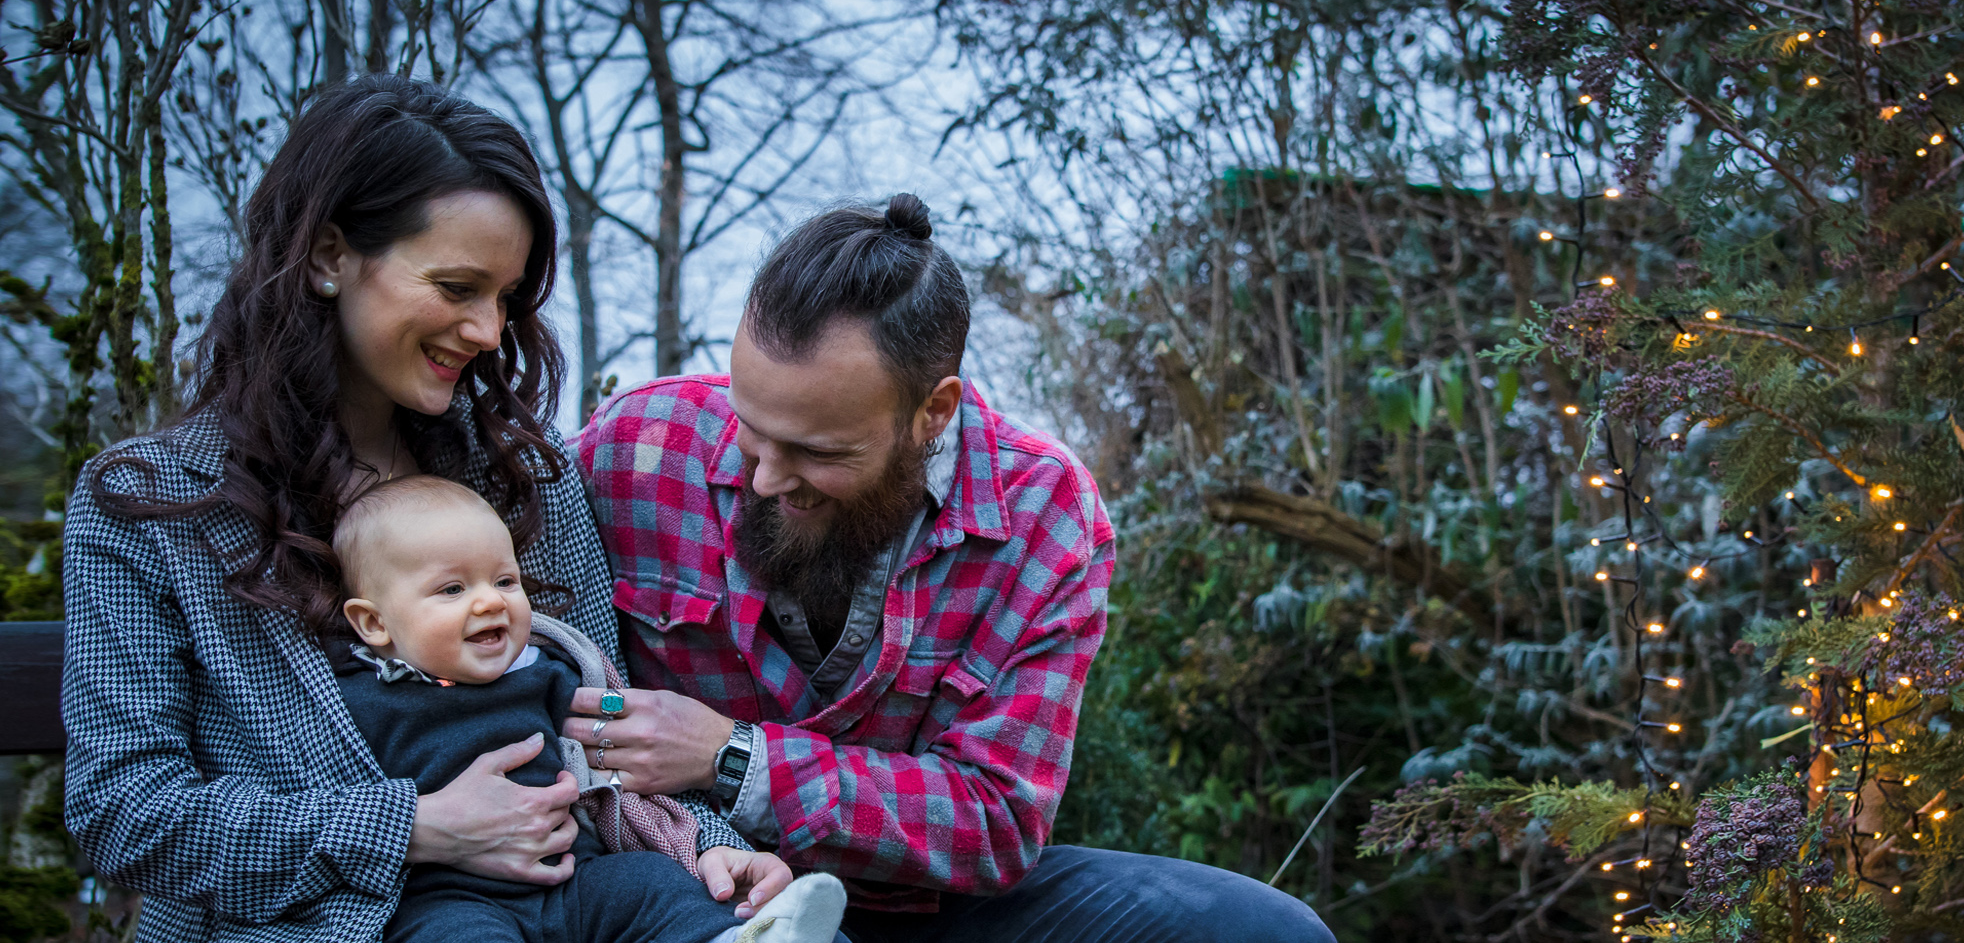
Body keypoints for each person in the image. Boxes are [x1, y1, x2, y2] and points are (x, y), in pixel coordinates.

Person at [58, 75, 793, 942]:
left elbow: (599, 732)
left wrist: (707, 847)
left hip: (576, 907)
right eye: (456, 286)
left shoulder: (527, 481)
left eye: (507, 297)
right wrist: (415, 827)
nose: (488, 329)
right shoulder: (154, 507)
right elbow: (125, 811)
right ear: (331, 256)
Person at [569, 194, 1336, 941]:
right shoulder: (635, 445)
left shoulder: (1044, 511)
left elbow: (998, 820)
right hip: (701, 885)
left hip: (932, 908)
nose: (765, 475)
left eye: (817, 450)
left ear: (932, 413)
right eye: (750, 426)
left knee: (1270, 929)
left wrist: (735, 759)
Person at [326, 475, 844, 943]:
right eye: (453, 589)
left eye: (505, 581)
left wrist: (700, 846)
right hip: (450, 896)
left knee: (651, 883)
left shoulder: (549, 675)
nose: (490, 602)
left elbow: (619, 780)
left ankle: (736, 940)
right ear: (375, 624)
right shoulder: (355, 702)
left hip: (578, 875)